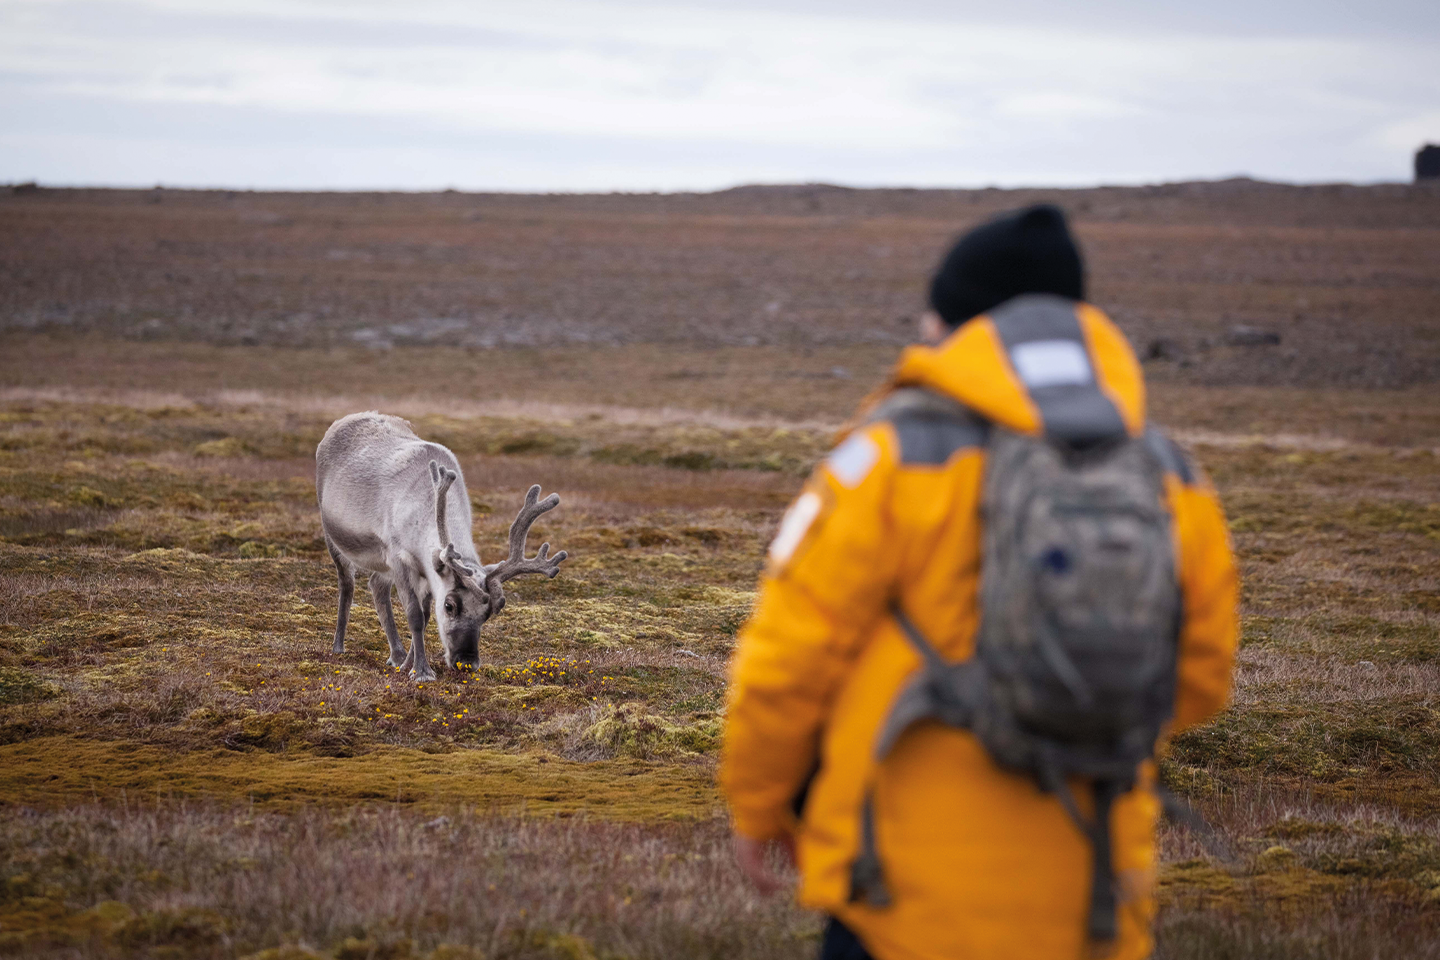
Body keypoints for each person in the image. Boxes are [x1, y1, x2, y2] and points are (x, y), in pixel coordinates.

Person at [720, 205, 1238, 960]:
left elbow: (789, 655)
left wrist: (759, 804)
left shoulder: (891, 457)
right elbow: (1201, 681)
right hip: (1090, 903)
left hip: (898, 897)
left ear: (955, 323)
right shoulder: (1167, 473)